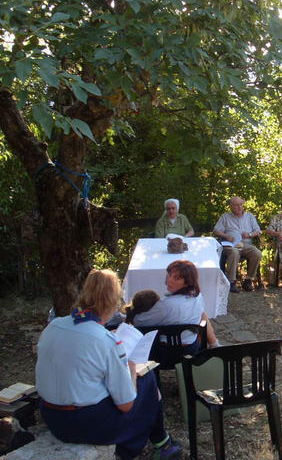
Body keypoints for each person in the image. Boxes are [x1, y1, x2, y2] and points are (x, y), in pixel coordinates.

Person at [36, 269, 182, 460]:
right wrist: (131, 368)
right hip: (85, 424)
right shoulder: (105, 340)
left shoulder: (54, 326)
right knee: (147, 379)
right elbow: (126, 405)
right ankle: (156, 444)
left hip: (51, 417)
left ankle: (159, 442)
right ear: (113, 303)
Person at [132, 260, 219, 367]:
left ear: (187, 282)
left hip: (166, 353)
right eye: (169, 275)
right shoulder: (197, 296)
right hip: (192, 347)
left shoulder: (166, 305)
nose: (169, 280)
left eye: (176, 278)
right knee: (202, 313)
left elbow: (139, 321)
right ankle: (214, 344)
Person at [213, 196, 262, 293]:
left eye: (240, 204)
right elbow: (216, 231)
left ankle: (248, 280)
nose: (239, 207)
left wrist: (249, 234)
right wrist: (226, 236)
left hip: (245, 245)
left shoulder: (249, 216)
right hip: (230, 245)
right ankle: (231, 282)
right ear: (231, 206)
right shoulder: (225, 217)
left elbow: (258, 231)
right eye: (236, 205)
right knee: (234, 252)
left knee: (257, 253)